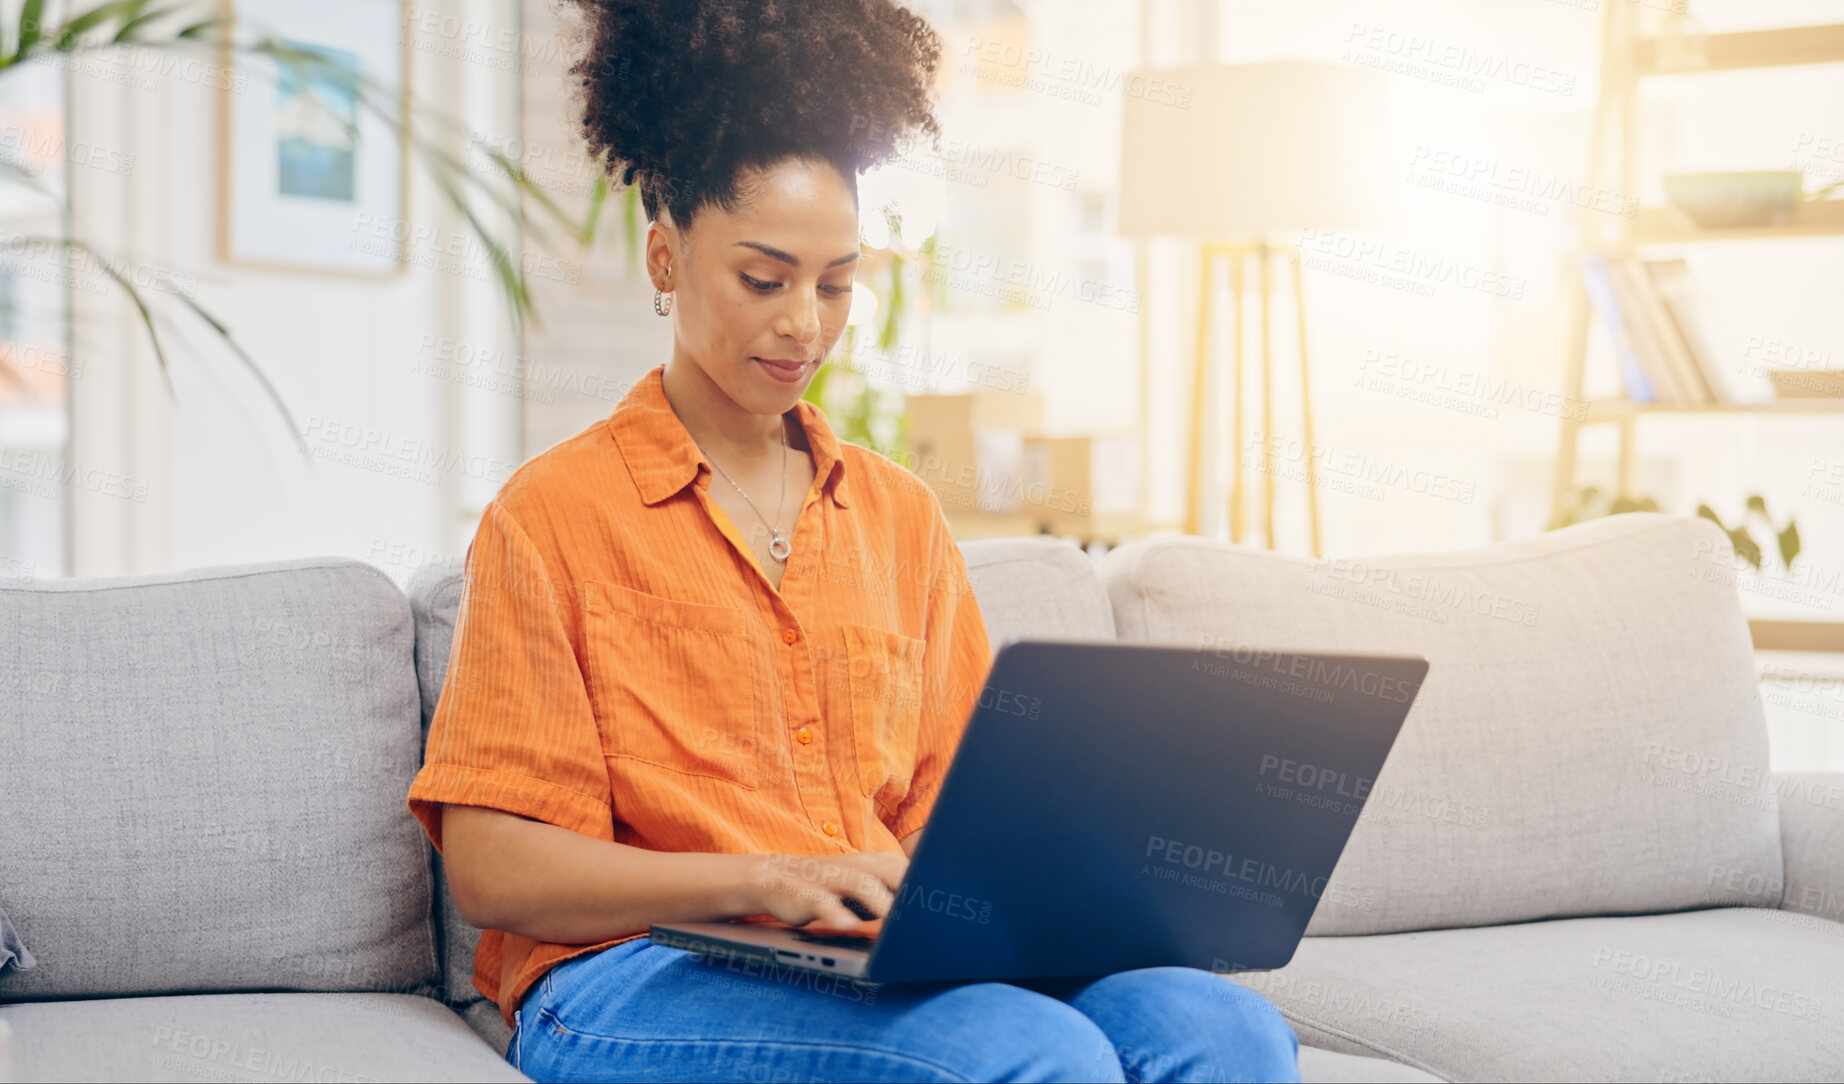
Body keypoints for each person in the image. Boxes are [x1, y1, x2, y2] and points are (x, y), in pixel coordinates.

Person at [407, 2, 1301, 1080]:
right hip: (628, 969)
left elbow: (954, 814)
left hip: (865, 949)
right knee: (1024, 1053)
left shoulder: (897, 518)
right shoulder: (551, 513)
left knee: (1224, 1029)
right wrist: (767, 879)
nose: (804, 326)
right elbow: (496, 868)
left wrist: (1006, 885)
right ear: (664, 253)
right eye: (763, 278)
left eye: (835, 284)